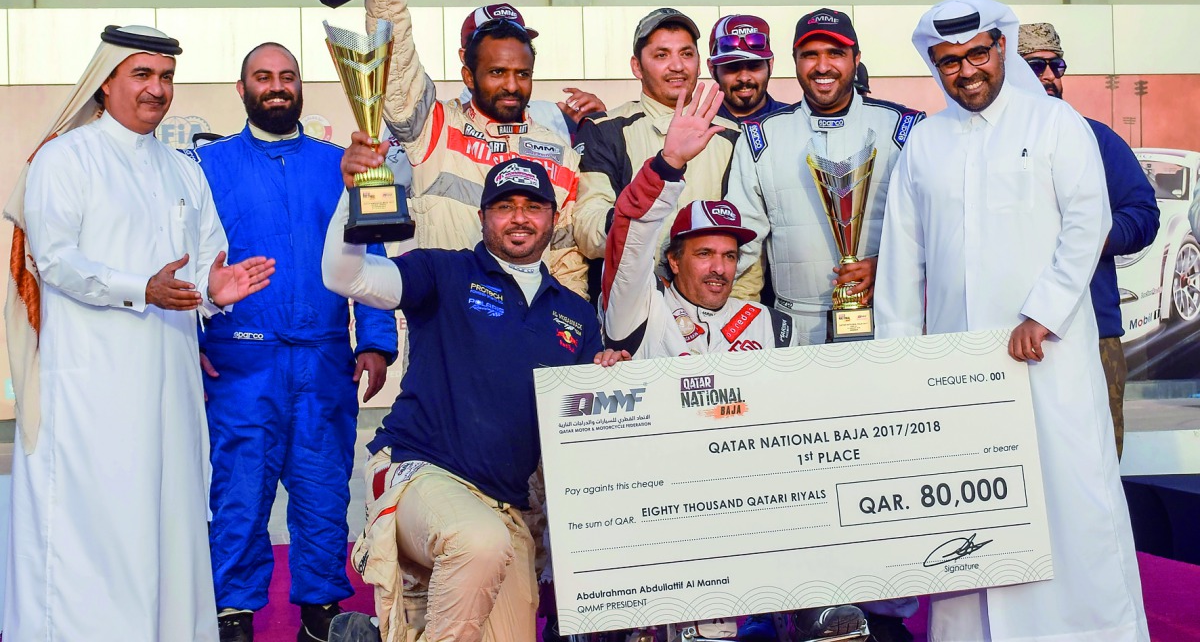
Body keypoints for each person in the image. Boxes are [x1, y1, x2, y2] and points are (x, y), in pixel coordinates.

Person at [875, 0, 1148, 641]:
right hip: (956, 374)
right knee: (969, 510)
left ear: (999, 48)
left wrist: (1043, 313)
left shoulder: (1056, 124)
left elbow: (1089, 223)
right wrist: (895, 358)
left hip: (1048, 362)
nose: (966, 71)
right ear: (934, 66)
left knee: (1070, 501)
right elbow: (899, 258)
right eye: (949, 62)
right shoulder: (924, 143)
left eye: (976, 54)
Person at [3, 24, 275, 642]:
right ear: (105, 83)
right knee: (96, 530)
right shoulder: (64, 158)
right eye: (143, 76)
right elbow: (56, 259)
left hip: (169, 388)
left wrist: (216, 290)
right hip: (89, 391)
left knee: (169, 523)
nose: (158, 90)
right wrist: (139, 287)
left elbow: (206, 261)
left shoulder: (183, 169)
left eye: (167, 77)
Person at [602, 83, 867, 642]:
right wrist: (670, 164)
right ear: (671, 261)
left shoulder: (758, 320)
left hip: (740, 492)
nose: (720, 268)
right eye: (704, 253)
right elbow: (630, 235)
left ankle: (816, 607)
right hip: (661, 496)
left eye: (730, 254)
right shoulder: (640, 307)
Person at [323, 148, 609, 642]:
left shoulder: (577, 317)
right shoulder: (444, 272)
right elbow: (346, 277)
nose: (519, 217)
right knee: (476, 541)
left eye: (533, 206)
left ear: (553, 217)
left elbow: (579, 429)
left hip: (508, 505)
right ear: (482, 217)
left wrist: (606, 381)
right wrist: (351, 202)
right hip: (419, 473)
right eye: (504, 206)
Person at [192, 43, 400, 642]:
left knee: (322, 491)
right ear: (241, 89)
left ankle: (320, 613)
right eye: (263, 77)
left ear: (302, 88)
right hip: (240, 362)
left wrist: (376, 340)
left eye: (287, 77)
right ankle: (232, 613)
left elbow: (370, 246)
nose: (276, 86)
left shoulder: (339, 163)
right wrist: (191, 336)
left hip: (322, 358)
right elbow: (183, 253)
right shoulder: (207, 167)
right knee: (238, 493)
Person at [358, 0, 587, 298]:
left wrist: (572, 328)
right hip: (449, 327)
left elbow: (566, 258)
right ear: (469, 75)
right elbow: (397, 62)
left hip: (529, 331)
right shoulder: (434, 127)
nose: (512, 85)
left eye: (522, 73)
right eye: (497, 73)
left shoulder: (558, 152)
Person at [724, 8, 924, 347]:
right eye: (810, 55)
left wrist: (887, 264)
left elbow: (934, 228)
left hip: (890, 319)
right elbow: (742, 242)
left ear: (856, 58)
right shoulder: (761, 137)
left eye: (836, 53)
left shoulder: (904, 129)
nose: (822, 66)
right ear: (794, 61)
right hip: (795, 328)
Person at [1018, 22, 1159, 458]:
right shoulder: (978, 146)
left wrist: (1091, 239)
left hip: (1092, 329)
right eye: (1034, 65)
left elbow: (1143, 215)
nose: (1048, 76)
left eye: (1056, 65)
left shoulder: (1096, 138)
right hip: (1004, 332)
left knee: (1095, 464)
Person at [573, 8, 761, 298]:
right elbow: (588, 231)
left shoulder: (733, 136)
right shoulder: (604, 130)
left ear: (700, 64)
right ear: (637, 66)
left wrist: (736, 312)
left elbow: (750, 237)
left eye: (686, 54)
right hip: (635, 303)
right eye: (661, 55)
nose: (677, 66)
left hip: (718, 310)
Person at [456, 4, 607, 143]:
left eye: (518, 38)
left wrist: (600, 130)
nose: (508, 48)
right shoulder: (444, 121)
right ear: (464, 57)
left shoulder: (556, 116)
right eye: (497, 71)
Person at [707, 14, 789, 124]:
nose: (744, 78)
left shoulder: (794, 123)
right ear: (712, 69)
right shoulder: (696, 127)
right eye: (732, 67)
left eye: (754, 66)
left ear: (770, 64)